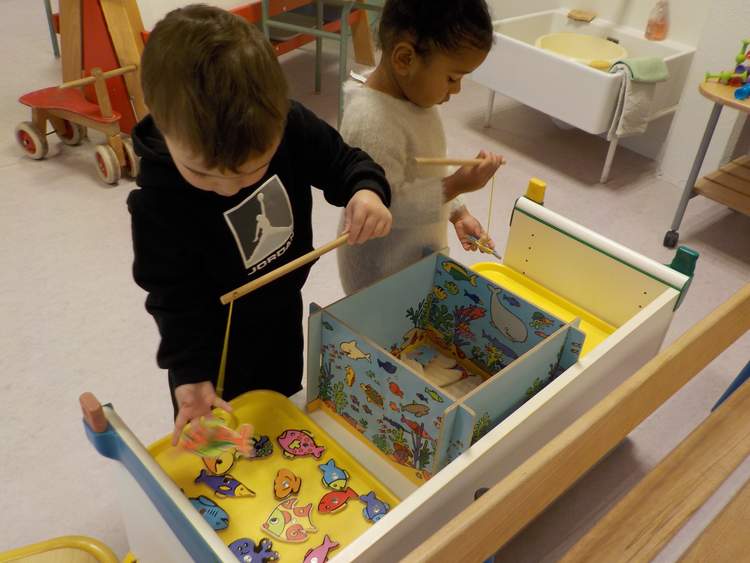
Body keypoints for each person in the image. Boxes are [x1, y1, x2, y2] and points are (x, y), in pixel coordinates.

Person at [127, 5, 392, 443]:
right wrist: (189, 374)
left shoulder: (289, 125)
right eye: (203, 173)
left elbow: (343, 161)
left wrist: (366, 191)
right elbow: (172, 298)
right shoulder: (158, 202)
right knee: (219, 443)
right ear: (160, 120)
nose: (229, 188)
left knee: (281, 413)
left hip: (281, 312)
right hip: (210, 346)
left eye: (254, 169)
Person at [337, 0, 504, 295]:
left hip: (415, 255)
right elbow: (388, 207)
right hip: (380, 272)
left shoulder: (416, 100)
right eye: (452, 78)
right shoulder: (371, 120)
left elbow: (429, 172)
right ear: (405, 59)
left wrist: (458, 213)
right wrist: (456, 184)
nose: (457, 90)